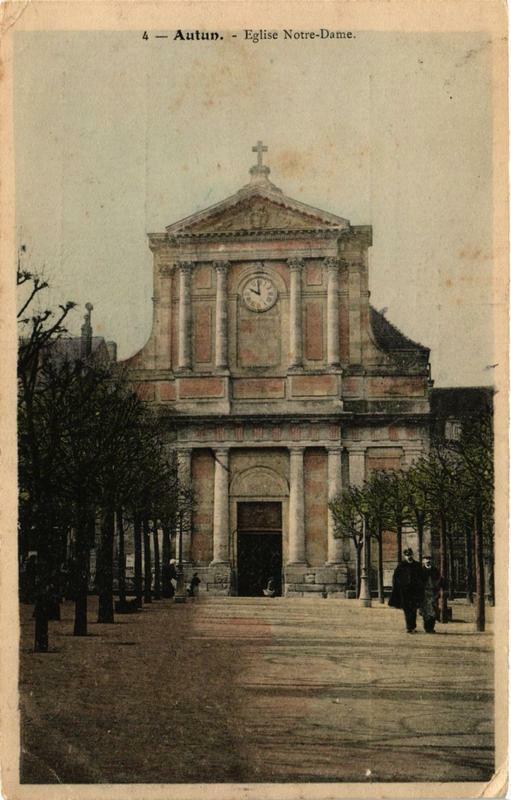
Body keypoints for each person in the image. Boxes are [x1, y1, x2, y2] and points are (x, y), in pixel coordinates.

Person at [388, 548, 424, 633]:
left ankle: (413, 626)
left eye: (410, 555)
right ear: (405, 556)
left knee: (414, 609)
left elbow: (422, 578)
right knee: (407, 609)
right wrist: (399, 587)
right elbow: (395, 578)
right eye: (407, 555)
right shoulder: (401, 566)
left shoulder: (417, 565)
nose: (409, 557)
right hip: (404, 592)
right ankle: (409, 627)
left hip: (415, 592)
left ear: (412, 555)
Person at [420, 555, 443, 633]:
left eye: (429, 559)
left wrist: (438, 590)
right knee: (425, 611)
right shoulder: (421, 571)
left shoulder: (435, 570)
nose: (428, 561)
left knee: (433, 611)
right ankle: (426, 627)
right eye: (426, 559)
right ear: (423, 561)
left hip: (433, 593)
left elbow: (439, 581)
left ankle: (431, 628)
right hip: (424, 594)